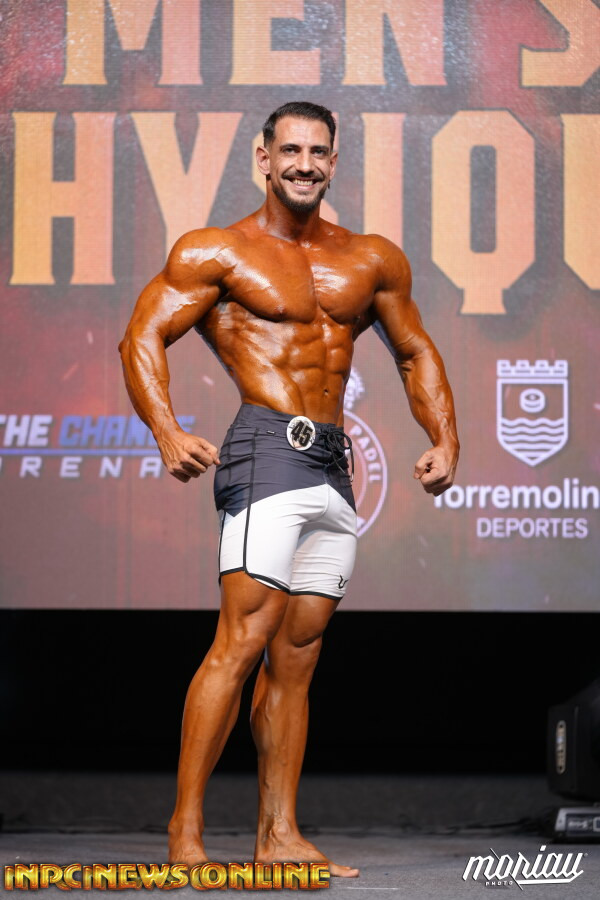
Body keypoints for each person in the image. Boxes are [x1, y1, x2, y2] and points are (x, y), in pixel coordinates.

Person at [119, 101, 459, 878]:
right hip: (266, 453)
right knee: (241, 641)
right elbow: (143, 333)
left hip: (334, 464)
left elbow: (414, 351)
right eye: (291, 150)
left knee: (298, 655)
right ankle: (185, 833)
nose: (304, 164)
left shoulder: (370, 259)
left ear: (333, 163)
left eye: (318, 152)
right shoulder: (219, 251)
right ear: (263, 159)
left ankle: (278, 835)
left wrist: (446, 439)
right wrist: (166, 431)